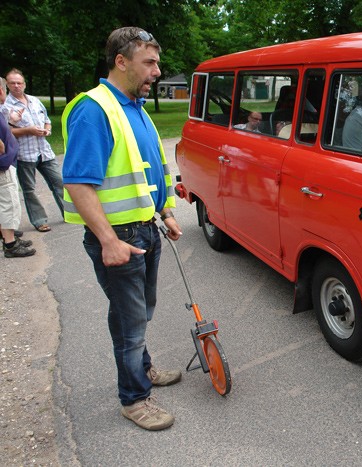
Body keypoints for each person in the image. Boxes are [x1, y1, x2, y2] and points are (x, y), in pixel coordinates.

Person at [62, 27, 182, 431]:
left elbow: (151, 170)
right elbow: (79, 181)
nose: (157, 71)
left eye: (157, 63)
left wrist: (165, 213)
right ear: (121, 61)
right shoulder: (95, 109)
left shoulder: (137, 107)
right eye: (149, 62)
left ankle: (142, 370)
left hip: (145, 230)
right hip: (120, 240)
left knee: (141, 313)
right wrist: (108, 239)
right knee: (130, 322)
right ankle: (134, 399)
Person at [1, 69, 64, 232]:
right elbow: (6, 133)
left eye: (19, 83)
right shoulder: (5, 106)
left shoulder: (35, 101)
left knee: (59, 183)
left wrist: (47, 130)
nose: (16, 86)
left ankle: (70, 213)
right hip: (24, 154)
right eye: (12, 83)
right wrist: (27, 130)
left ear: (24, 84)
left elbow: (47, 121)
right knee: (29, 189)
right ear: (7, 85)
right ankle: (39, 220)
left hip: (45, 151)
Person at [0, 103, 35, 258]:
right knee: (8, 204)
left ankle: (8, 235)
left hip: (6, 163)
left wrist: (12, 122)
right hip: (3, 165)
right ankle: (10, 245)